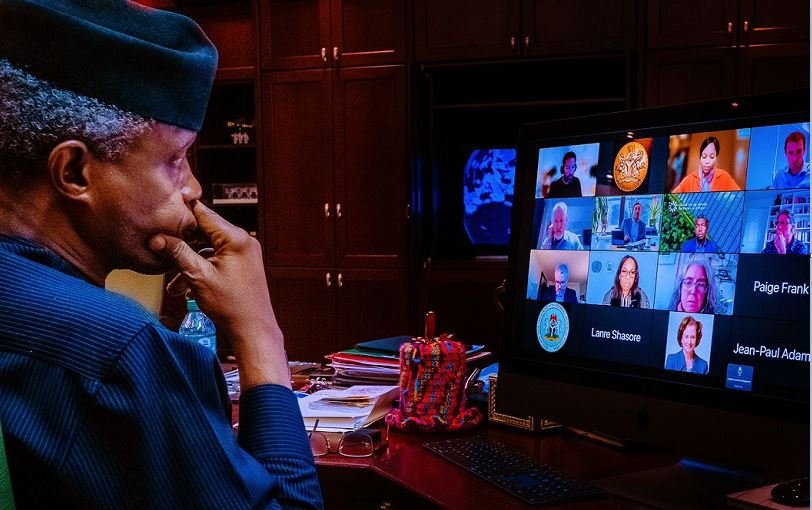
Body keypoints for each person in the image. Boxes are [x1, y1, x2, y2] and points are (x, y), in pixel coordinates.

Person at [0, 2, 322, 508]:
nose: (194, 188)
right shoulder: (120, 350)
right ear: (75, 173)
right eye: (175, 160)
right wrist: (260, 333)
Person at [672, 136, 740, 192]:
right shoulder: (688, 180)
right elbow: (670, 199)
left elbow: (740, 198)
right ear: (700, 157)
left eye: (712, 157)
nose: (707, 161)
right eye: (704, 156)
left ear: (716, 157)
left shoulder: (724, 176)